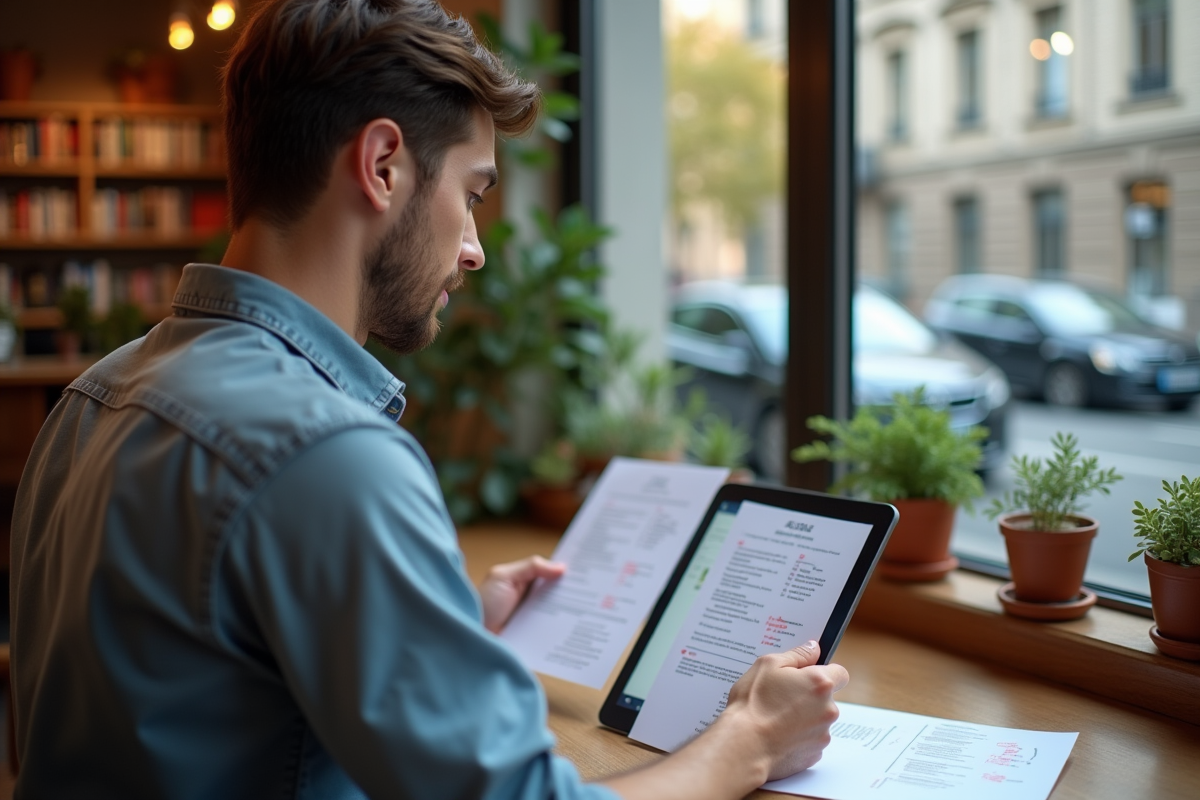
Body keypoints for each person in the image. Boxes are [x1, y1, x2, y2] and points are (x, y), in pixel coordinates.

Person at [9, 1, 849, 798]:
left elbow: (185, 685)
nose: (475, 248)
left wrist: (439, 632)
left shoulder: (93, 397)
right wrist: (748, 741)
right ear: (382, 167)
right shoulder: (324, 455)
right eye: (473, 194)